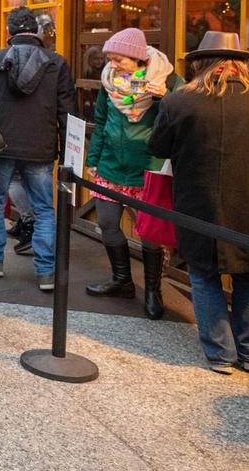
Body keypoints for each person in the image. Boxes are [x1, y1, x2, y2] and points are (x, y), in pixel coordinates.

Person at [149, 31, 249, 374]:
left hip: (197, 204)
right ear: (241, 65)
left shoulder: (178, 102)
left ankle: (221, 353)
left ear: (200, 63)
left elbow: (158, 147)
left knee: (204, 276)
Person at [0, 7, 76, 291]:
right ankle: (46, 272)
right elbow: (67, 113)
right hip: (41, 145)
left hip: (1, 145)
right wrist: (70, 154)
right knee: (44, 208)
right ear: (37, 32)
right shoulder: (56, 63)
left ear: (8, 32)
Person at [83, 28, 182, 318]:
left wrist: (166, 96)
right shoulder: (110, 83)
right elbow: (100, 121)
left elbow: (185, 116)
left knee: (150, 234)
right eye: (110, 59)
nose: (112, 65)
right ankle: (121, 280)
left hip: (148, 167)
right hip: (111, 165)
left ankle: (153, 290)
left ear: (138, 59)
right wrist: (94, 157)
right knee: (108, 223)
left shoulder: (168, 81)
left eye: (119, 59)